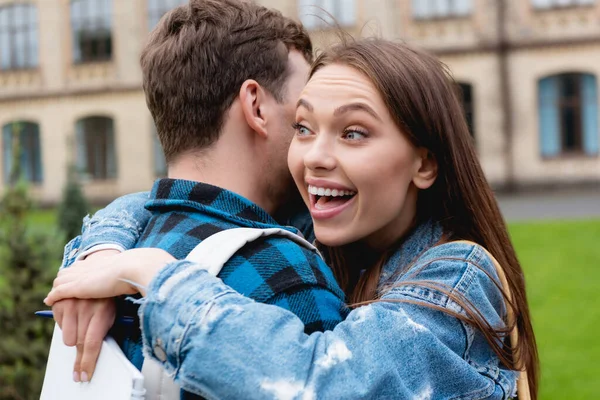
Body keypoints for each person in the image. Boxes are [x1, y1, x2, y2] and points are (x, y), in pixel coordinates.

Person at [47, 37, 540, 399]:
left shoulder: (457, 275)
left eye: (353, 133)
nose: (313, 157)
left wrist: (152, 273)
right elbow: (168, 202)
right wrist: (103, 250)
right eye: (303, 127)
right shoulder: (326, 232)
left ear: (424, 163)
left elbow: (321, 384)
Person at [50, 0, 348, 391]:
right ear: (256, 106)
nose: (314, 138)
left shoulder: (107, 264)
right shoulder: (285, 270)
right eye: (304, 116)